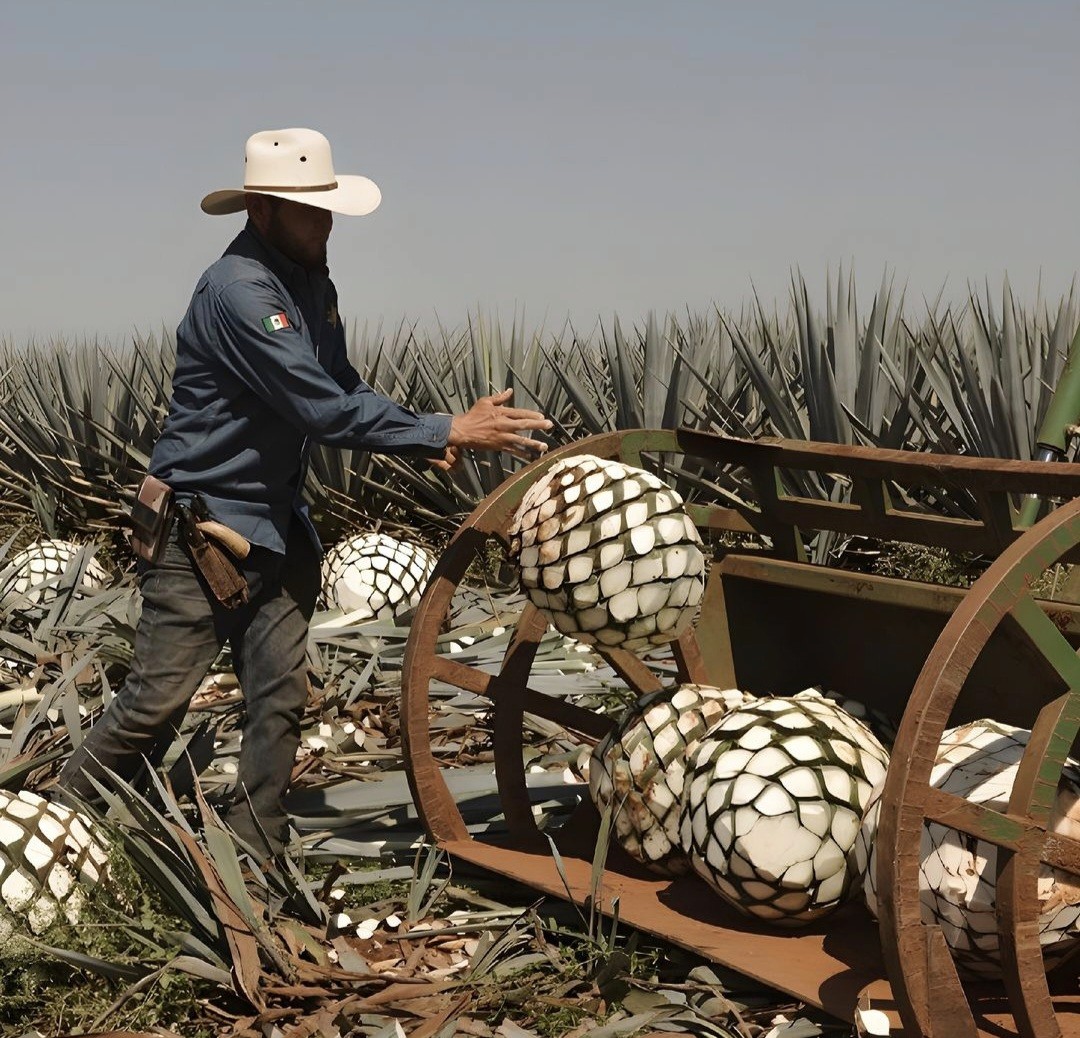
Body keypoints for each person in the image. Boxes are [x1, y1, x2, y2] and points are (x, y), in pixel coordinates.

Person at [57, 127, 552, 860]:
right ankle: (54, 833)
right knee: (154, 703)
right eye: (307, 210)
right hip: (200, 532)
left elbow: (340, 385)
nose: (324, 223)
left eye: (326, 208)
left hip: (276, 529)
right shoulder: (239, 292)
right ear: (260, 210)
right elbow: (318, 408)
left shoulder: (312, 284)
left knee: (280, 699)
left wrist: (427, 435)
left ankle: (254, 854)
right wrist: (449, 426)